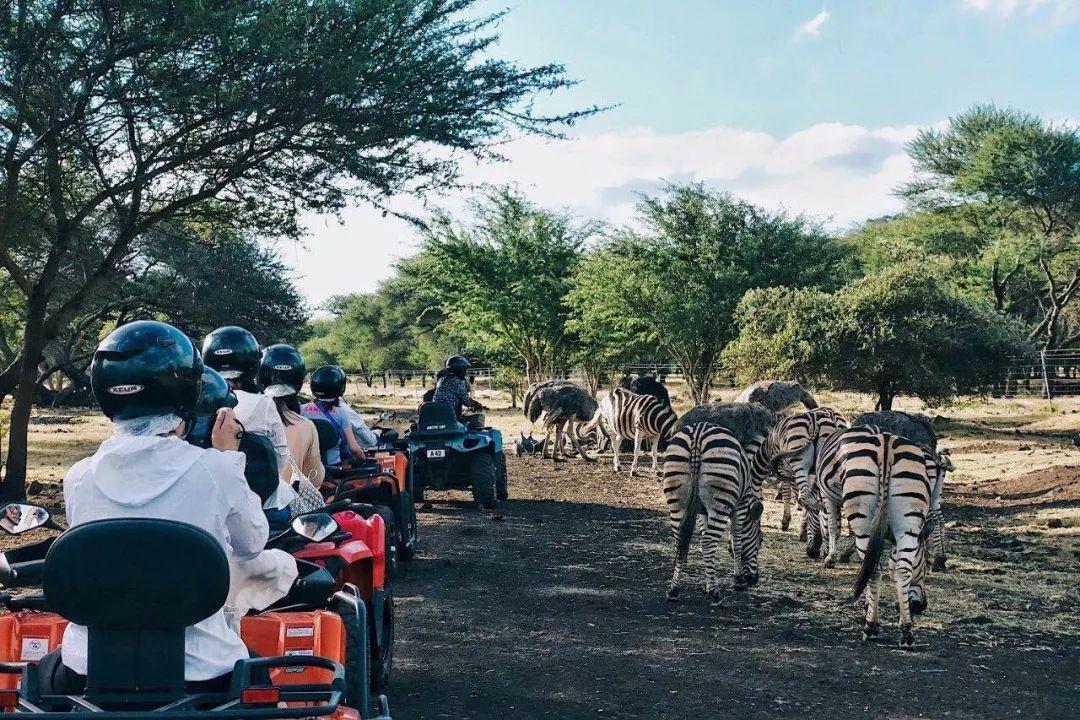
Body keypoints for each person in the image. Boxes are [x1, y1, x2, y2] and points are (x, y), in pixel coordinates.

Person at [59, 320, 293, 690]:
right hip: (201, 669)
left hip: (89, 668)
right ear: (187, 390)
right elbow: (251, 544)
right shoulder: (216, 470)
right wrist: (230, 458)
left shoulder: (78, 476)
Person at [202, 326, 296, 514]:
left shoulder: (198, 404)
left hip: (210, 497)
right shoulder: (264, 403)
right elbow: (281, 456)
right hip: (261, 500)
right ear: (253, 365)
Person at [259, 344, 324, 514]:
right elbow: (315, 477)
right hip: (285, 514)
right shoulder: (306, 426)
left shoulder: (235, 417)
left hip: (247, 512)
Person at [301, 365, 375, 466]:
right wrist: (364, 460)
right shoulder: (341, 412)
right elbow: (354, 449)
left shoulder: (302, 409)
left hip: (308, 467)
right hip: (333, 467)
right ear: (341, 387)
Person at [432, 355, 486, 424]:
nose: (465, 372)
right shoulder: (457, 381)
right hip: (450, 416)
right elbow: (466, 400)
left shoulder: (441, 380)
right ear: (459, 369)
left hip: (438, 414)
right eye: (464, 369)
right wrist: (476, 404)